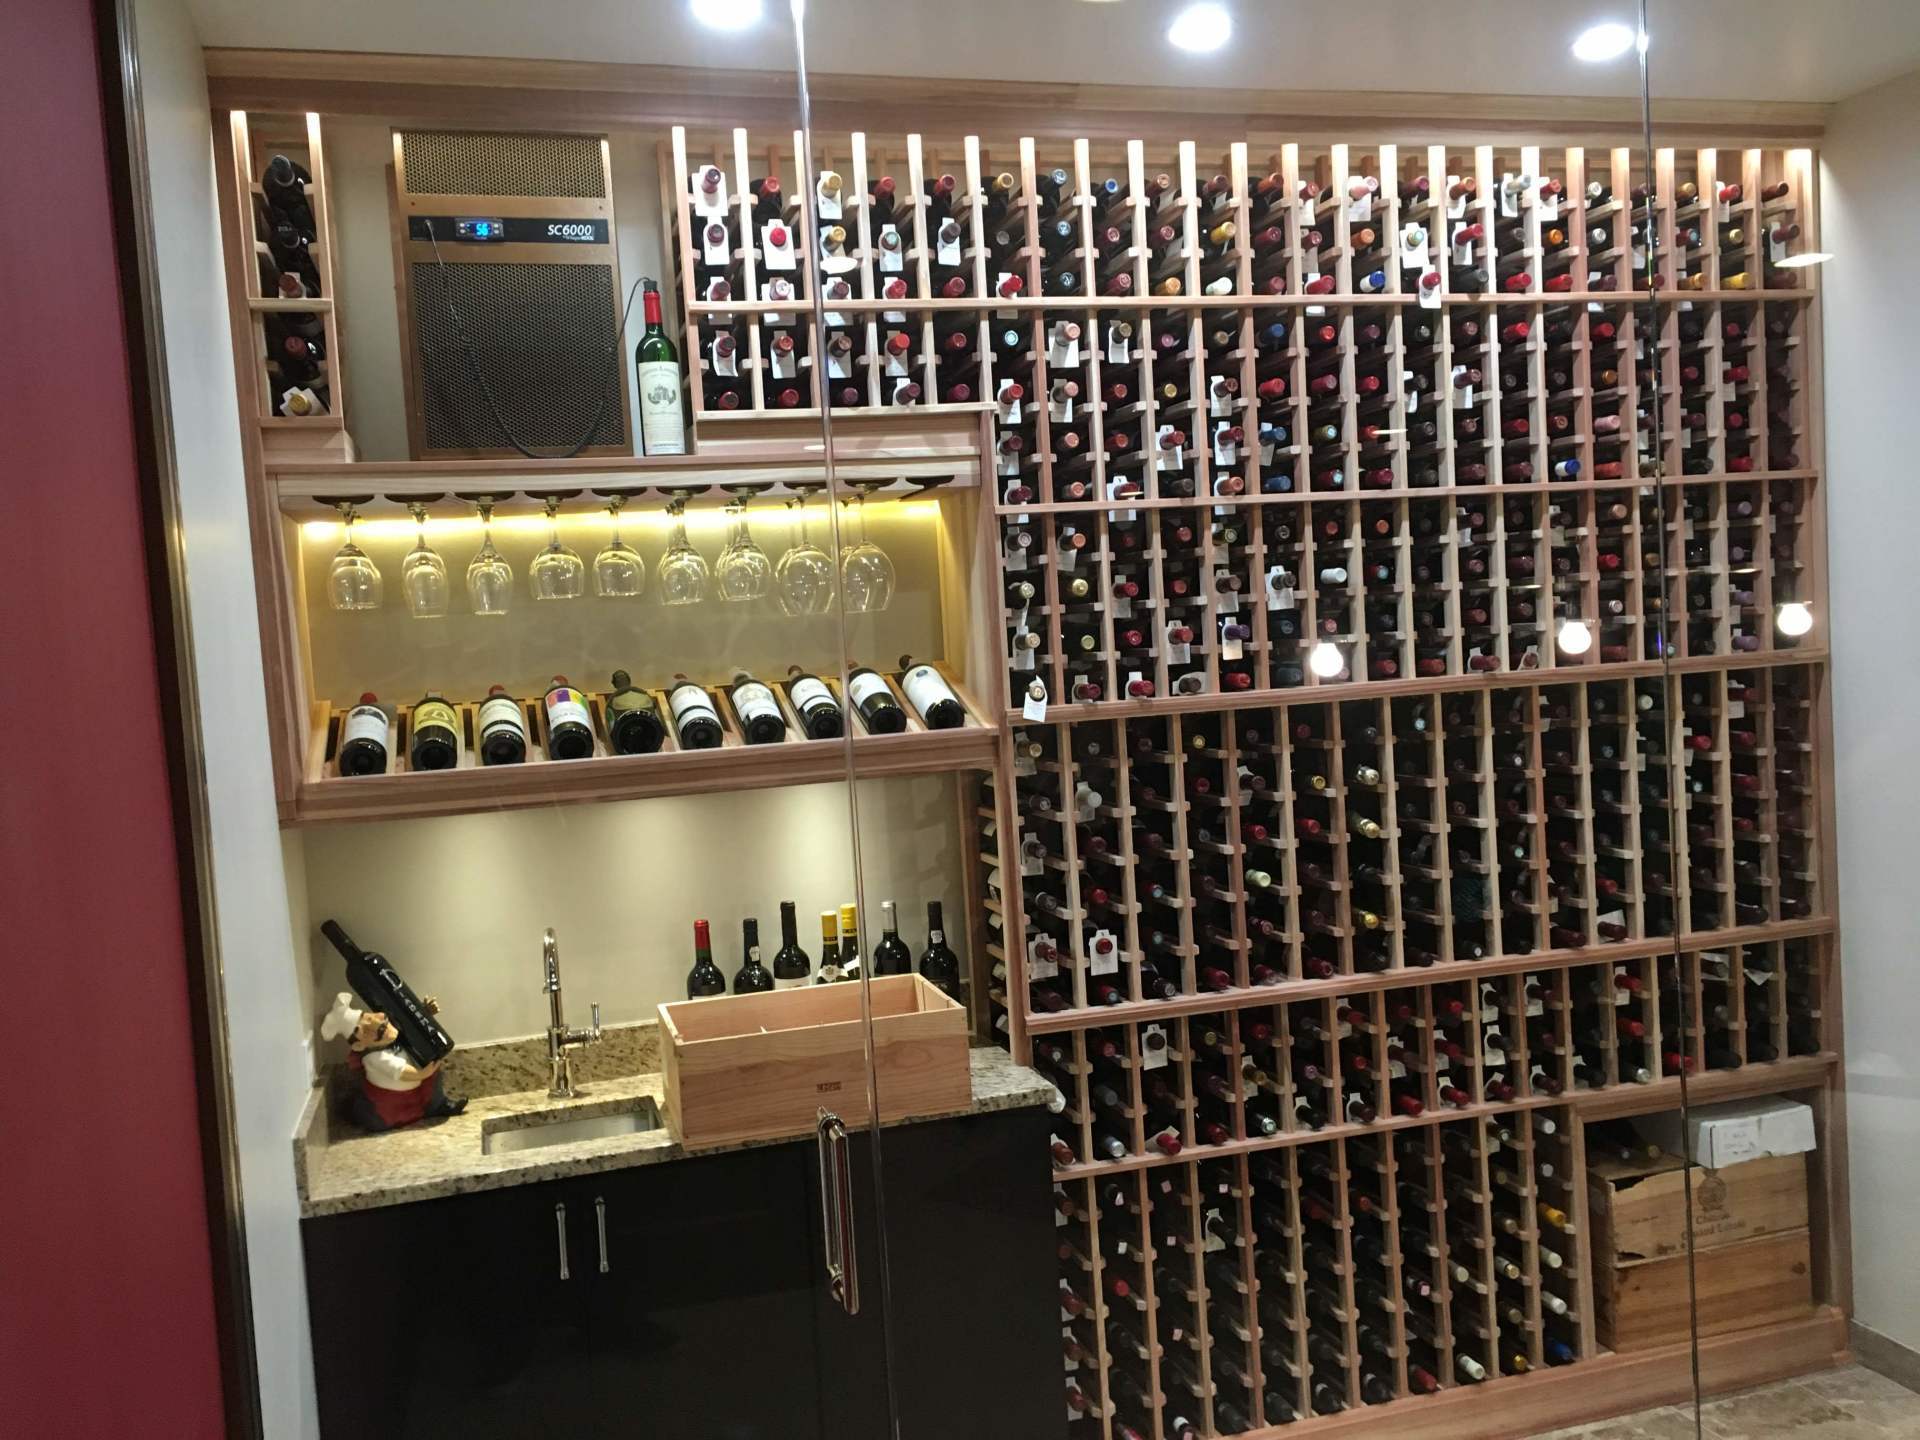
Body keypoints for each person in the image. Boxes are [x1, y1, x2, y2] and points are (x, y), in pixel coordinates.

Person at [320, 991, 467, 1132]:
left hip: (417, 1091)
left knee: (434, 1081)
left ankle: (439, 1105)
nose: (376, 1024)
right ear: (359, 1046)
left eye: (369, 1017)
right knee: (375, 1119)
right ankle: (355, 1110)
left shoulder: (394, 1035)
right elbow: (401, 1071)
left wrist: (424, 1013)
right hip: (390, 1104)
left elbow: (410, 1025)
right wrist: (422, 1074)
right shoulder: (374, 1057)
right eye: (364, 1030)